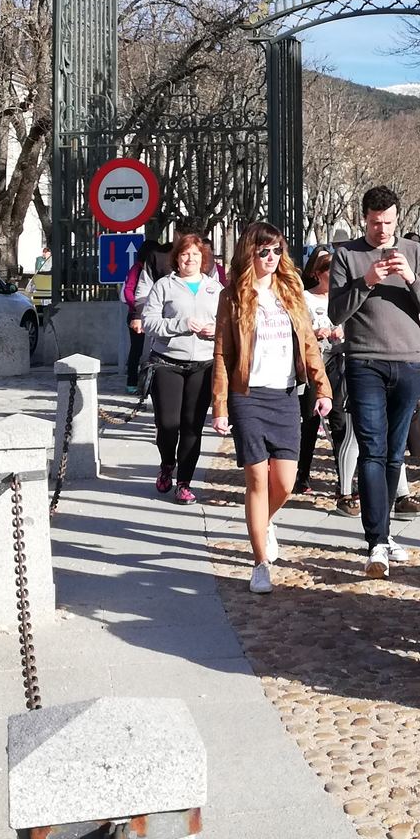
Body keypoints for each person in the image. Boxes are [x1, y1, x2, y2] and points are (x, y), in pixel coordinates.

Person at [212, 223, 332, 594]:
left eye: (276, 250)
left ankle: (265, 522)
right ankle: (260, 562)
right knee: (257, 478)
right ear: (250, 253)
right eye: (263, 251)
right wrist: (220, 405)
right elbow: (222, 353)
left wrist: (321, 386)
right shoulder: (232, 295)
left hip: (284, 396)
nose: (270, 258)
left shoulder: (290, 291)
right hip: (247, 395)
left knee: (285, 480)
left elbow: (309, 343)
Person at [330, 185, 420, 577]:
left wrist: (411, 278)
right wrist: (366, 281)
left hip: (408, 364)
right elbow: (336, 314)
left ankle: (385, 532)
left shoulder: (415, 252)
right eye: (375, 223)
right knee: (372, 451)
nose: (382, 230)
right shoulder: (346, 256)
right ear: (364, 219)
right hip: (364, 363)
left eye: (389, 222)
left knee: (395, 453)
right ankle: (376, 540)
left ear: (398, 219)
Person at [140, 233, 221, 503]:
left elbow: (229, 325)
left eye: (196, 255)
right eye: (185, 254)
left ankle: (184, 482)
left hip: (203, 364)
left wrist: (215, 330)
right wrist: (181, 324)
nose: (190, 259)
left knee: (192, 426)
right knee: (168, 424)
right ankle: (166, 465)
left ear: (204, 260)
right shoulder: (164, 285)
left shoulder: (215, 289)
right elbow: (149, 323)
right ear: (177, 258)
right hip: (167, 362)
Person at [296, 248, 357, 498]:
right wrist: (316, 331)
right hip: (316, 361)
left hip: (339, 360)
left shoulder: (343, 298)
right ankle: (302, 474)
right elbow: (299, 327)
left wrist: (344, 332)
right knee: (310, 420)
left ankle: (344, 479)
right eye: (330, 272)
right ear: (318, 273)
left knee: (341, 420)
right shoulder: (305, 298)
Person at [123, 239, 163, 395]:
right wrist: (139, 310)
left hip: (156, 315)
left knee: (155, 350)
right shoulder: (138, 269)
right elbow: (129, 291)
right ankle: (132, 382)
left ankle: (152, 383)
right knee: (136, 350)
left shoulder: (157, 269)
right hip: (137, 315)